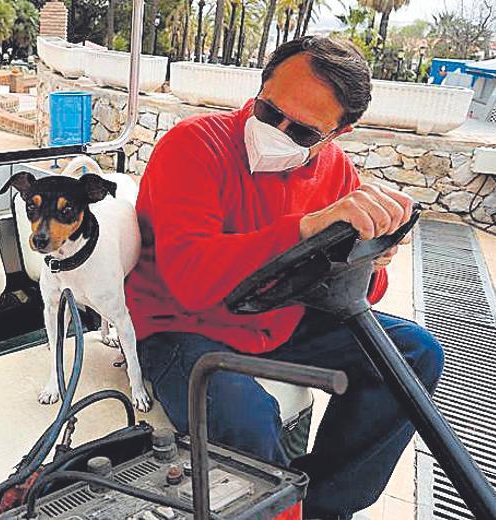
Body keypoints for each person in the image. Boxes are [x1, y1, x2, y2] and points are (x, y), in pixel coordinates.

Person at [125, 36, 444, 519]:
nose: (277, 130)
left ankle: (322, 506)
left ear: (337, 133)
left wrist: (371, 260)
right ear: (260, 88)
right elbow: (190, 282)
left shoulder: (336, 170)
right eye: (269, 111)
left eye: (302, 131)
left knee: (414, 353)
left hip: (277, 319)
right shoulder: (193, 146)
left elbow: (359, 296)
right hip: (180, 326)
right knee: (248, 418)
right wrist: (304, 229)